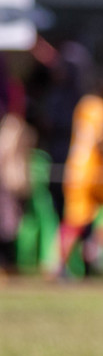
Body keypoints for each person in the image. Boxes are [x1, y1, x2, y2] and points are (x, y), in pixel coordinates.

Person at [56, 75, 103, 276]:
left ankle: (59, 266)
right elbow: (100, 140)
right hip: (95, 171)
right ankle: (95, 247)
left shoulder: (83, 105)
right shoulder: (101, 108)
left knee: (73, 223)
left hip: (75, 170)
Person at [0, 73, 34, 273]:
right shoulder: (12, 126)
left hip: (10, 181)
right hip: (7, 180)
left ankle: (9, 266)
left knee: (10, 224)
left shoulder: (14, 125)